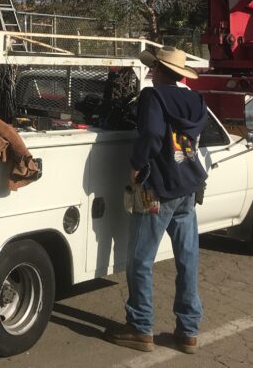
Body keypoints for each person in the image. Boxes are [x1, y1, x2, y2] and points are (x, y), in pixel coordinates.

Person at [107, 46, 208, 355]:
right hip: (188, 186)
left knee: (140, 259)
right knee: (187, 258)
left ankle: (140, 328)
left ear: (162, 71)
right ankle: (188, 331)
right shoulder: (195, 100)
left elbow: (151, 133)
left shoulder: (154, 96)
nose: (151, 72)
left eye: (154, 68)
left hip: (158, 187)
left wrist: (137, 165)